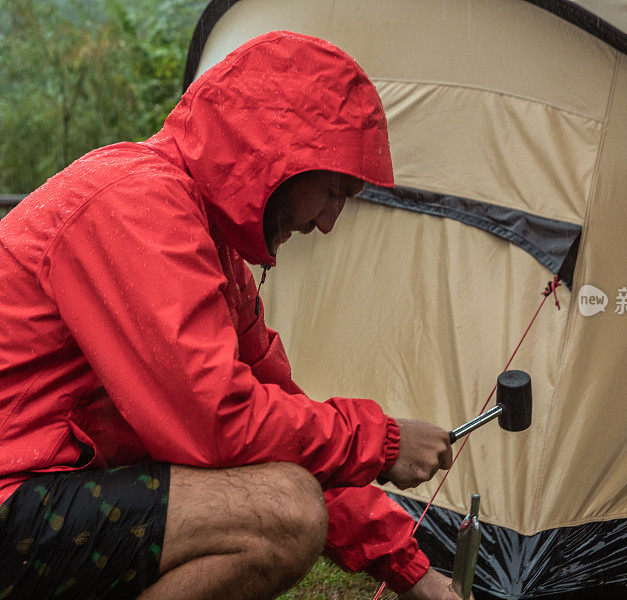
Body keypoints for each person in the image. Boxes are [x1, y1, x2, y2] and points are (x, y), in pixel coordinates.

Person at [0, 32, 468, 600]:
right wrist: (383, 442)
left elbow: (283, 424)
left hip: (60, 486)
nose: (327, 222)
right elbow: (218, 421)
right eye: (333, 193)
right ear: (282, 156)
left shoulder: (211, 248)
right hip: (16, 490)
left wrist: (415, 574)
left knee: (281, 482)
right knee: (282, 513)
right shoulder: (138, 206)